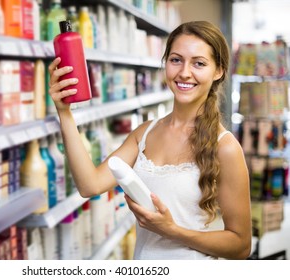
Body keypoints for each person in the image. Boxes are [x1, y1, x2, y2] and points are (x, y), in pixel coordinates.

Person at [48, 21, 251, 260]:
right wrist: (64, 113)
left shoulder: (225, 147)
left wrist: (173, 231)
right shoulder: (144, 133)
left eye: (199, 63)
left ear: (218, 71)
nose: (184, 72)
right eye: (176, 60)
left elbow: (240, 246)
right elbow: (89, 185)